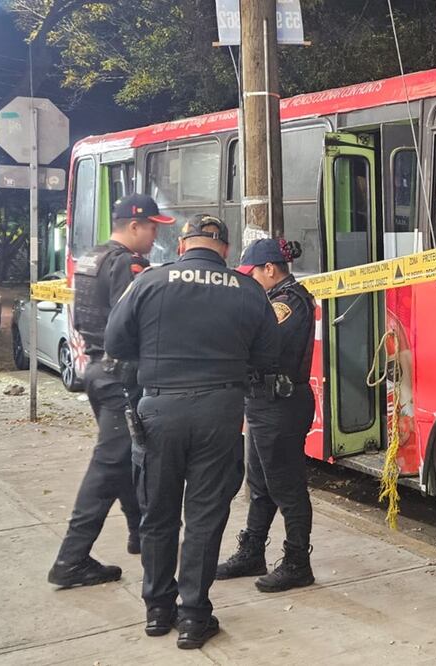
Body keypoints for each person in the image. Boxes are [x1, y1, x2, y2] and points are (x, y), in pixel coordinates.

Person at [105, 214, 279, 649]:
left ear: (182, 246)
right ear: (224, 250)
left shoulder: (149, 281)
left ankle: (157, 610)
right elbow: (268, 355)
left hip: (159, 408)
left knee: (158, 513)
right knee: (204, 516)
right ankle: (193, 616)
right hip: (220, 412)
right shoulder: (249, 289)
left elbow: (115, 343)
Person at [47, 194, 174, 588]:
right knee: (109, 467)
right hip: (121, 376)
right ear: (134, 226)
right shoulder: (127, 265)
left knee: (123, 460)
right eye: (152, 227)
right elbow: (139, 322)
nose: (155, 235)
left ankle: (139, 533)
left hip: (98, 370)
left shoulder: (92, 258)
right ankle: (71, 560)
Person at [215, 238, 317, 592]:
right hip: (263, 402)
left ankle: (297, 561)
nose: (248, 281)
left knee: (287, 487)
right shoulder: (271, 299)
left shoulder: (288, 302)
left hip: (281, 405)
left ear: (270, 269)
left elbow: (260, 341)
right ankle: (252, 551)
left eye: (252, 274)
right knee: (259, 485)